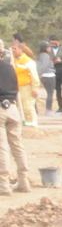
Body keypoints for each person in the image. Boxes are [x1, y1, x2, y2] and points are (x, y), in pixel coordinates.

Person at [0, 47, 32, 193]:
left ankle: (3, 184)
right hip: (12, 108)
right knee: (17, 146)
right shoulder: (10, 68)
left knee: (2, 148)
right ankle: (24, 181)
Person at [10, 42, 38, 127]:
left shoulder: (28, 61)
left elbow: (34, 76)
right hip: (16, 87)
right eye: (12, 49)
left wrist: (35, 88)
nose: (13, 51)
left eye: (15, 49)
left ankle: (32, 122)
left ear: (21, 49)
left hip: (27, 87)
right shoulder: (12, 61)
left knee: (28, 106)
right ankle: (23, 121)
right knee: (18, 106)